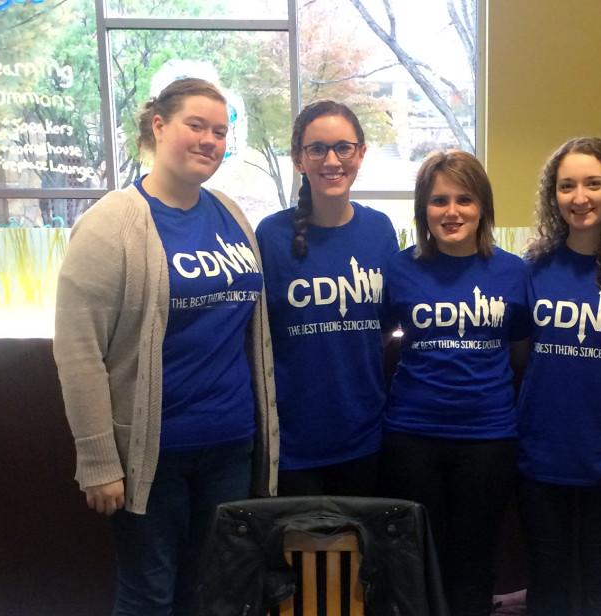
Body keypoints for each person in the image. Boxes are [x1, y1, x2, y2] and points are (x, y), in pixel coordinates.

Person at [53, 77, 278, 616]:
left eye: (220, 132)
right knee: (149, 595)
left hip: (230, 445)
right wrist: (99, 461)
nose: (209, 141)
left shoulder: (231, 214)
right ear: (159, 125)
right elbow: (79, 351)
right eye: (195, 125)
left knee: (210, 592)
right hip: (153, 456)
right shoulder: (111, 223)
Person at [381, 150, 530, 616]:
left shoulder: (513, 271)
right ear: (423, 209)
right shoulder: (400, 268)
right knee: (419, 559)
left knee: (475, 560)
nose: (451, 212)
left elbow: (521, 349)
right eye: (439, 200)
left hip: (487, 437)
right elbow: (383, 338)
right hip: (412, 435)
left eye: (464, 199)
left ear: (482, 205)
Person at [517, 137, 601, 615]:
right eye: (567, 186)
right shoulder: (532, 267)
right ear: (552, 195)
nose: (580, 197)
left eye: (593, 183)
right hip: (540, 450)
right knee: (548, 581)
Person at [255, 100, 398, 497]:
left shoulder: (380, 230)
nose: (331, 160)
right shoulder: (270, 235)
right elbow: (259, 335)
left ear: (362, 153)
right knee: (299, 558)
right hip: (294, 442)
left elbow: (384, 326)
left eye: (343, 147)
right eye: (317, 148)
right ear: (299, 159)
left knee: (361, 558)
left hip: (366, 435)